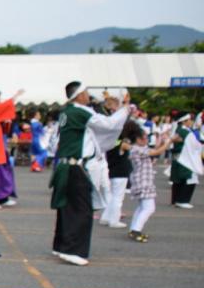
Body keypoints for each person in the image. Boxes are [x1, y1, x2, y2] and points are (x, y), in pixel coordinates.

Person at [50, 81, 131, 266]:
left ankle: (62, 246)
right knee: (82, 210)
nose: (88, 95)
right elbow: (109, 125)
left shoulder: (66, 112)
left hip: (65, 165)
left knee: (67, 208)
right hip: (75, 166)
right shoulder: (80, 111)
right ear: (78, 95)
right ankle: (73, 250)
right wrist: (124, 109)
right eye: (85, 92)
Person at [125, 121, 173, 242]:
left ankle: (133, 229)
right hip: (143, 181)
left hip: (141, 180)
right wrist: (169, 142)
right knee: (149, 208)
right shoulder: (137, 149)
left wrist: (163, 141)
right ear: (138, 139)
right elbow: (156, 152)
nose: (147, 139)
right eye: (145, 137)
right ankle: (136, 230)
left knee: (142, 207)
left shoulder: (139, 148)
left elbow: (155, 149)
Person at [99, 123, 133, 228]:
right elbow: (131, 148)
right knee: (118, 197)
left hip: (112, 170)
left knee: (113, 196)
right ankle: (114, 220)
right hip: (121, 172)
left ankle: (105, 217)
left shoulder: (110, 143)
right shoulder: (122, 144)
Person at [169, 114, 202, 207]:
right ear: (184, 121)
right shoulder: (184, 132)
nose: (191, 122)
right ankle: (182, 200)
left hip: (180, 158)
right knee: (188, 179)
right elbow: (195, 145)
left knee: (178, 180)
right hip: (186, 159)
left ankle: (175, 200)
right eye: (189, 120)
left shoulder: (181, 130)